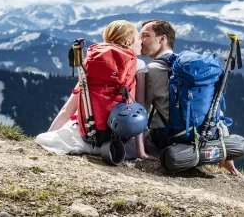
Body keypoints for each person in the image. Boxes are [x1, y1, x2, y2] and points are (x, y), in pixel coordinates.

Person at [36, 20, 156, 160]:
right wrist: (141, 152)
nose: (141, 41)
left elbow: (67, 109)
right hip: (120, 140)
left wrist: (49, 135)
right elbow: (139, 109)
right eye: (138, 38)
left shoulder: (93, 62)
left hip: (87, 136)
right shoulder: (138, 65)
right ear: (128, 43)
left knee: (65, 131)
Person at [140, 19, 241, 176]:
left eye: (145, 35)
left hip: (168, 142)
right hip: (204, 137)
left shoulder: (150, 71)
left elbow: (141, 113)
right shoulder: (190, 68)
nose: (140, 40)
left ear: (162, 39)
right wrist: (228, 158)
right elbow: (215, 109)